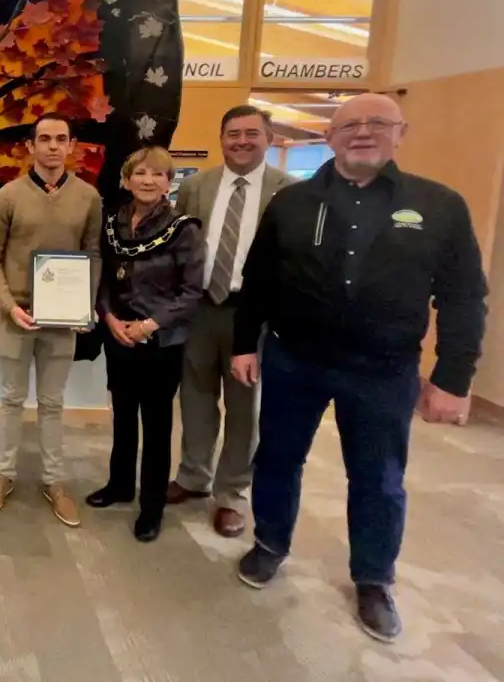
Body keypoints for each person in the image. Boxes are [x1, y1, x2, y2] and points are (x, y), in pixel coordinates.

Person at [230, 92, 487, 643]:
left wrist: (453, 377)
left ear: (400, 132)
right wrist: (244, 345)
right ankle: (270, 542)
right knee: (277, 458)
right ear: (330, 137)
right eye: (349, 124)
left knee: (378, 479)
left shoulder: (439, 205)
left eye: (378, 122)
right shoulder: (292, 203)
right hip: (294, 360)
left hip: (383, 370)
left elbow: (464, 297)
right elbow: (259, 281)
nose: (363, 132)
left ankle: (373, 579)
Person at [167, 106, 294, 538]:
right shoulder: (196, 186)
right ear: (221, 138)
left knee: (244, 408)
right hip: (200, 308)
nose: (241, 141)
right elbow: (179, 244)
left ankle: (232, 495)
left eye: (251, 133)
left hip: (252, 314)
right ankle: (192, 476)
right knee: (195, 397)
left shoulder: (289, 191)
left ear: (269, 138)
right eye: (233, 133)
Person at [0, 113, 103, 528]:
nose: (52, 146)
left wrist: (84, 304)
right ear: (30, 146)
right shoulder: (8, 196)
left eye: (60, 139)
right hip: (17, 316)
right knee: (12, 399)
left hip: (62, 321)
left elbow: (93, 254)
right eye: (44, 139)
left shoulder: (88, 198)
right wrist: (8, 305)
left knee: (52, 403)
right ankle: (3, 474)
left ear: (71, 146)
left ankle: (53, 481)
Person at [87, 147, 205, 542]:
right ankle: (120, 485)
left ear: (169, 183)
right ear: (126, 179)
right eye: (140, 173)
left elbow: (191, 293)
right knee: (122, 415)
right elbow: (104, 279)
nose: (148, 180)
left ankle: (152, 507)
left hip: (161, 341)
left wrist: (148, 325)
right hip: (119, 333)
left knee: (156, 425)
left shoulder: (184, 229)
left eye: (158, 174)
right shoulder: (112, 223)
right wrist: (109, 318)